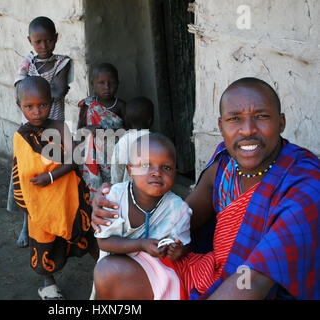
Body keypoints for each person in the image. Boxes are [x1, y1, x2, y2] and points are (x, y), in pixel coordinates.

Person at [91, 77, 320, 300]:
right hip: (209, 271)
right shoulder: (226, 163)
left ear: (281, 122)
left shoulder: (304, 185)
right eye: (235, 119)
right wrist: (115, 206)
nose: (248, 130)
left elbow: (256, 281)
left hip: (256, 287)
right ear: (221, 126)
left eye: (261, 116)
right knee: (109, 273)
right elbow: (179, 219)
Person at [12, 76, 97, 300]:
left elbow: (74, 160)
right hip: (39, 202)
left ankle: (108, 268)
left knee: (86, 233)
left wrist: (51, 176)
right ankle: (48, 283)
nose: (37, 111)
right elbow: (19, 170)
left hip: (66, 197)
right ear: (19, 106)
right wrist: (23, 201)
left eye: (43, 105)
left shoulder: (59, 128)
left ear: (51, 102)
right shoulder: (21, 136)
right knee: (45, 242)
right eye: (29, 106)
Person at [94, 133, 192, 300]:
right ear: (130, 170)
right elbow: (104, 242)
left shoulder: (178, 209)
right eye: (146, 165)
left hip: (157, 271)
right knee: (106, 272)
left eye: (166, 167)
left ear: (175, 173)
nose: (156, 173)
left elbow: (184, 244)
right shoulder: (115, 197)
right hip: (114, 263)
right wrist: (141, 244)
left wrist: (177, 251)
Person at [9, 16, 72, 247]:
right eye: (38, 42)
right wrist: (41, 96)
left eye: (48, 41)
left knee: (57, 173)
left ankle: (58, 222)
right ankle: (28, 224)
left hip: (53, 124)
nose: (43, 46)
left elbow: (58, 90)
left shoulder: (62, 63)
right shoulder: (27, 61)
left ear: (56, 39)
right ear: (30, 41)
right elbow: (21, 91)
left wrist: (33, 92)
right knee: (27, 177)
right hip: (31, 129)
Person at [77, 63, 125, 199]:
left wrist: (110, 133)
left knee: (115, 186)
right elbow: (79, 132)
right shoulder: (88, 105)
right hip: (94, 157)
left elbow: (129, 132)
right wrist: (89, 129)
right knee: (97, 189)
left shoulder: (121, 106)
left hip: (114, 156)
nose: (107, 87)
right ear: (93, 84)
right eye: (101, 83)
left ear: (118, 84)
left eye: (111, 83)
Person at [110, 96, 154, 184]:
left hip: (127, 191)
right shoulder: (156, 141)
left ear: (126, 120)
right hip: (150, 191)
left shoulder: (122, 142)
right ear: (150, 120)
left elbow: (116, 172)